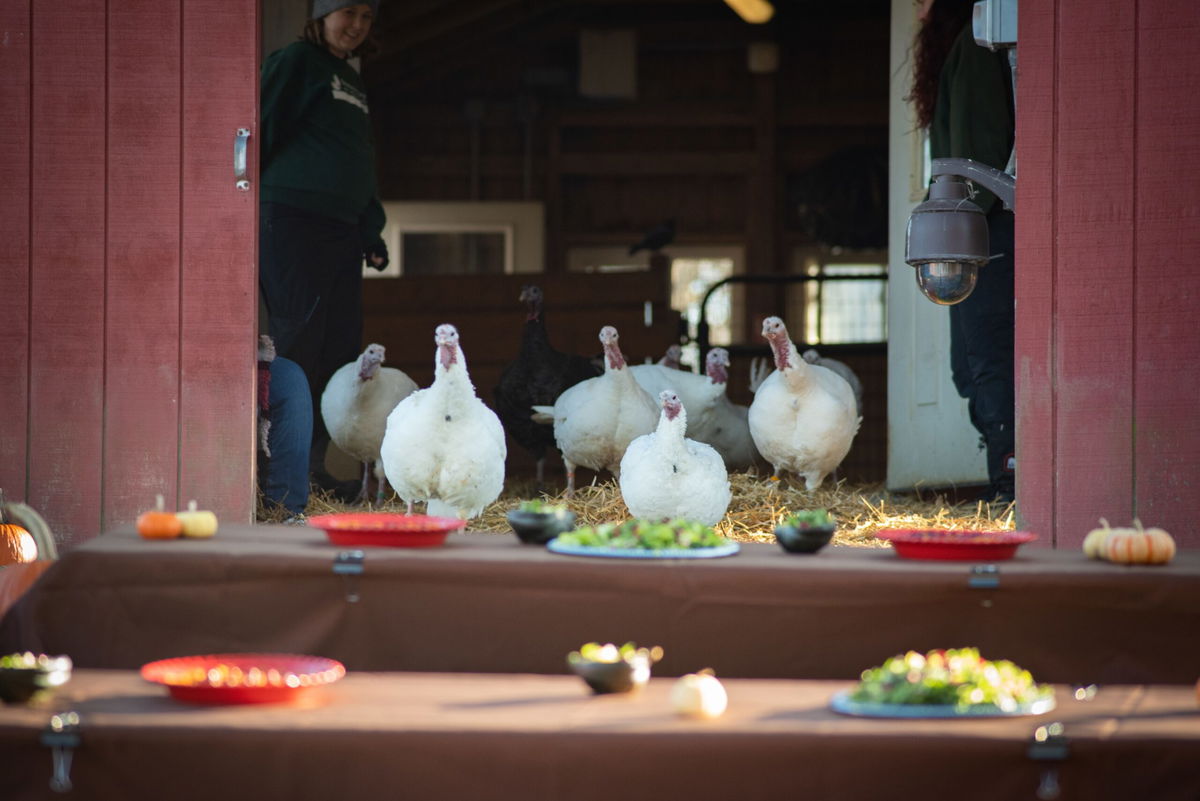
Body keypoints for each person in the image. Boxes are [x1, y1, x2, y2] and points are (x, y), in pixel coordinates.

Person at [258, 0, 389, 496]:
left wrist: (370, 229)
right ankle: (277, 477)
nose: (356, 25)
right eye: (346, 13)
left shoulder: (350, 79)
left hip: (341, 230)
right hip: (294, 220)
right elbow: (263, 128)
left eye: (366, 17)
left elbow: (357, 160)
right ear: (321, 15)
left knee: (338, 350)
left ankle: (311, 471)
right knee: (300, 344)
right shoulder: (296, 61)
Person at [910, 0, 1016, 504]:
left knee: (986, 356)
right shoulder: (964, 51)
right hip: (979, 221)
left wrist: (961, 209)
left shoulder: (974, 50)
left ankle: (1010, 482)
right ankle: (1006, 474)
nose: (917, 8)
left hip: (987, 224)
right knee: (970, 364)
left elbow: (981, 147)